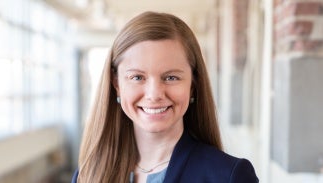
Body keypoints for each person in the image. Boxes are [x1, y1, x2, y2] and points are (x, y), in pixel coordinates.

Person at [72, 11, 259, 183]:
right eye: (137, 77)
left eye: (171, 77)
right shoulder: (88, 174)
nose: (154, 95)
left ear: (193, 85)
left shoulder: (228, 176)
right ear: (116, 84)